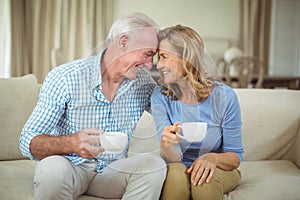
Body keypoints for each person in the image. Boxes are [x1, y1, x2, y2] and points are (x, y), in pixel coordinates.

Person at [19, 12, 166, 200]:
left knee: (153, 164)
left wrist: (181, 74)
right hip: (71, 167)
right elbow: (27, 141)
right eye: (147, 54)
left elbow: (171, 113)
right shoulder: (66, 77)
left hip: (113, 171)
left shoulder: (142, 82)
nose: (149, 65)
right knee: (51, 169)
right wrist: (71, 143)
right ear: (123, 42)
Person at [151, 25, 244, 200]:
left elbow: (235, 155)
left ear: (187, 58)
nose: (160, 64)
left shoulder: (225, 97)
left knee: (203, 181)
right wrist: (166, 144)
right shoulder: (160, 97)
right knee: (176, 176)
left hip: (219, 168)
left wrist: (212, 159)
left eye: (164, 56)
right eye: (158, 57)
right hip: (177, 165)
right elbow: (174, 159)